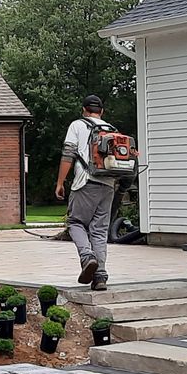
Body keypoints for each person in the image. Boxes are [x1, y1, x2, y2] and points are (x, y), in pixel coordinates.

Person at [54, 94, 118, 290]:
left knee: (75, 222)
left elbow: (68, 155)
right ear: (101, 112)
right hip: (108, 184)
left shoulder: (77, 125)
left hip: (85, 182)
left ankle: (87, 257)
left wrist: (60, 183)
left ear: (83, 109)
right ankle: (100, 277)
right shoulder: (111, 130)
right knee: (99, 230)